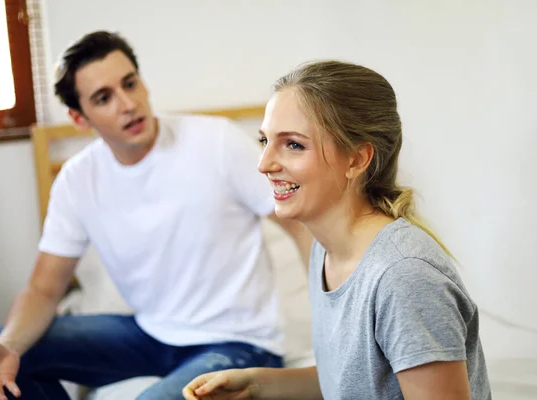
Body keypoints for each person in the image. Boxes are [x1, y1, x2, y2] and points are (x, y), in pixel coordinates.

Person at [0, 31, 311, 400]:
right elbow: (44, 287)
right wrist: (10, 343)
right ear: (79, 117)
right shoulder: (77, 180)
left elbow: (300, 222)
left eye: (130, 84)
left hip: (238, 343)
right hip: (148, 333)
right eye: (104, 98)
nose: (127, 104)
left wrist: (331, 302)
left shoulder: (215, 142)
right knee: (4, 348)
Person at [182, 60, 492, 399]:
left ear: (357, 159)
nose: (264, 163)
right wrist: (256, 384)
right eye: (264, 140)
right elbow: (353, 380)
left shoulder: (404, 277)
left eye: (294, 144)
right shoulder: (326, 250)